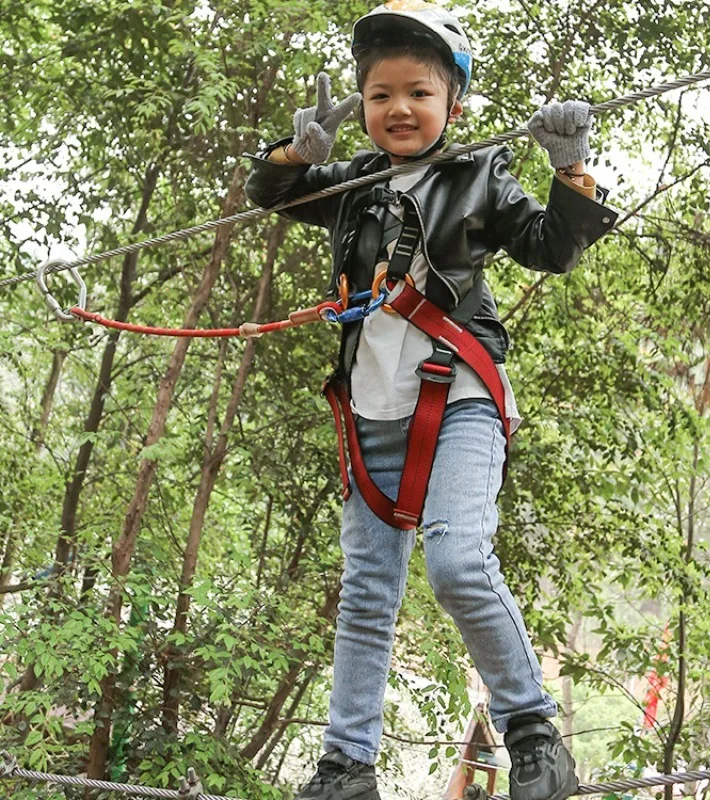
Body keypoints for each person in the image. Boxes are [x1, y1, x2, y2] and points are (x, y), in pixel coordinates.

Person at [245, 3, 618, 799]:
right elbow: (271, 192)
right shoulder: (351, 182)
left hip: (459, 401)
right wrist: (293, 151)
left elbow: (552, 248)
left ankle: (533, 733)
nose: (399, 109)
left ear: (452, 104)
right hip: (371, 417)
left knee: (456, 560)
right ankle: (347, 766)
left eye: (419, 92)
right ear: (364, 108)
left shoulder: (479, 175)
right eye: (380, 95)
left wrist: (570, 171)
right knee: (367, 593)